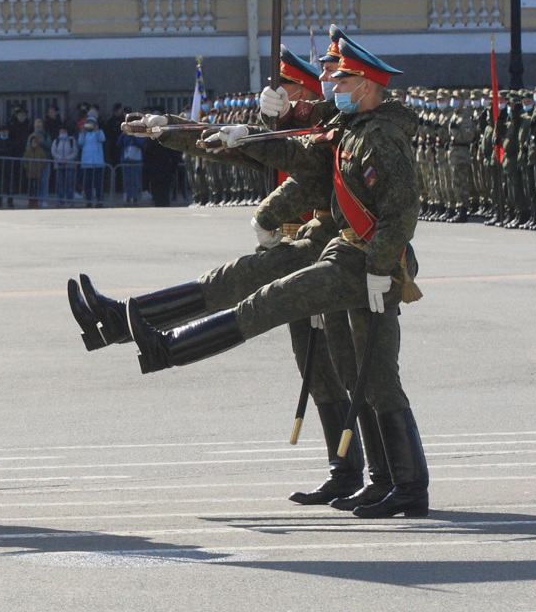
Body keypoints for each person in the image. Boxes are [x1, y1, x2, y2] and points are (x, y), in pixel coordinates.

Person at [131, 31, 430, 520]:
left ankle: (169, 347)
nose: (330, 81)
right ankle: (389, 482)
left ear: (369, 84)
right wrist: (237, 136)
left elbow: (402, 210)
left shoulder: (379, 137)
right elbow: (297, 154)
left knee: (271, 303)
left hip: (366, 262)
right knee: (366, 377)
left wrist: (380, 268)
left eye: (341, 76)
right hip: (350, 255)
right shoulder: (351, 128)